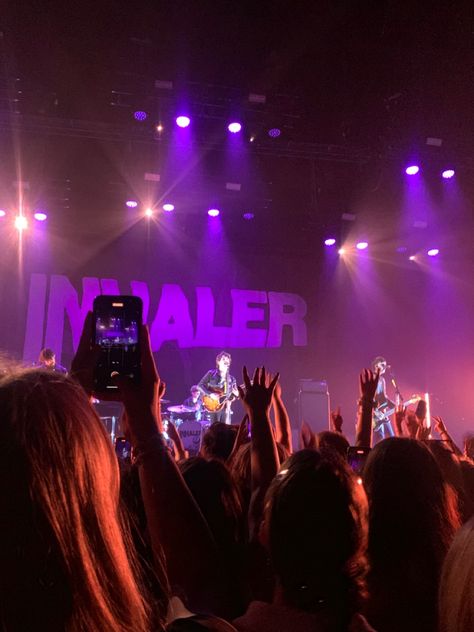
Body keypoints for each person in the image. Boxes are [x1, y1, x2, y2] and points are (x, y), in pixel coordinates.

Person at [198, 352, 239, 425]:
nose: (226, 361)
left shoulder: (232, 379)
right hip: (212, 404)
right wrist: (210, 394)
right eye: (224, 359)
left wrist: (237, 394)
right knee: (214, 428)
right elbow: (200, 386)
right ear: (218, 361)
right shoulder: (211, 373)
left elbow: (233, 396)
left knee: (225, 430)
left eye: (228, 360)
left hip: (225, 407)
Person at [371, 357, 395, 442]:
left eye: (385, 364)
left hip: (382, 413)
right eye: (382, 365)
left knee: (391, 437)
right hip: (374, 413)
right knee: (380, 438)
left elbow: (384, 396)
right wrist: (375, 411)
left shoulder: (382, 380)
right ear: (376, 365)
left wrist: (394, 405)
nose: (385, 367)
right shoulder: (371, 378)